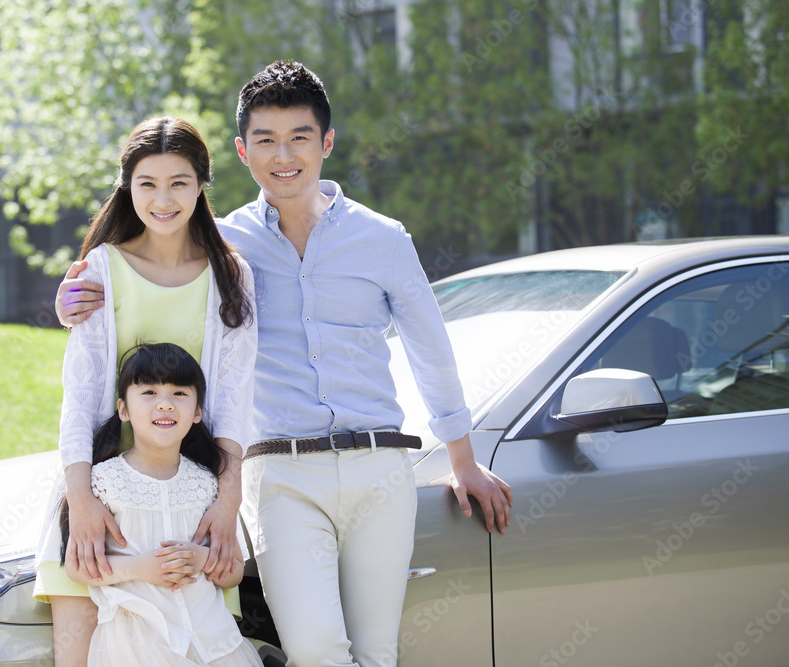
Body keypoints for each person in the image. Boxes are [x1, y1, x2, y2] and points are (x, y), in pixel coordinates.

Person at [56, 61, 512, 667]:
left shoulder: (384, 239)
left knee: (377, 653)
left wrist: (463, 459)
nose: (284, 155)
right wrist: (71, 298)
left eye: (300, 137)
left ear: (326, 143)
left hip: (381, 465)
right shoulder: (225, 248)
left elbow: (431, 348)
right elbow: (154, 274)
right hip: (283, 475)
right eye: (266, 140)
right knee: (319, 650)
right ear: (243, 151)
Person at [35, 117, 257, 667]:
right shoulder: (100, 270)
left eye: (179, 182)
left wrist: (227, 508)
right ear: (126, 187)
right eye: (147, 183)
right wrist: (80, 502)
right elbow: (81, 396)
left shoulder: (232, 275)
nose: (163, 199)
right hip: (102, 495)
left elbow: (232, 401)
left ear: (203, 184)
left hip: (189, 502)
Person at [63, 342, 263, 666]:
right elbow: (76, 568)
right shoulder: (102, 482)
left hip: (213, 645)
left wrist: (201, 560)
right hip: (137, 647)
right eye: (150, 393)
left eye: (179, 394)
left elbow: (235, 572)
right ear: (123, 409)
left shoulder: (209, 485)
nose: (166, 405)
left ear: (198, 412)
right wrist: (140, 569)